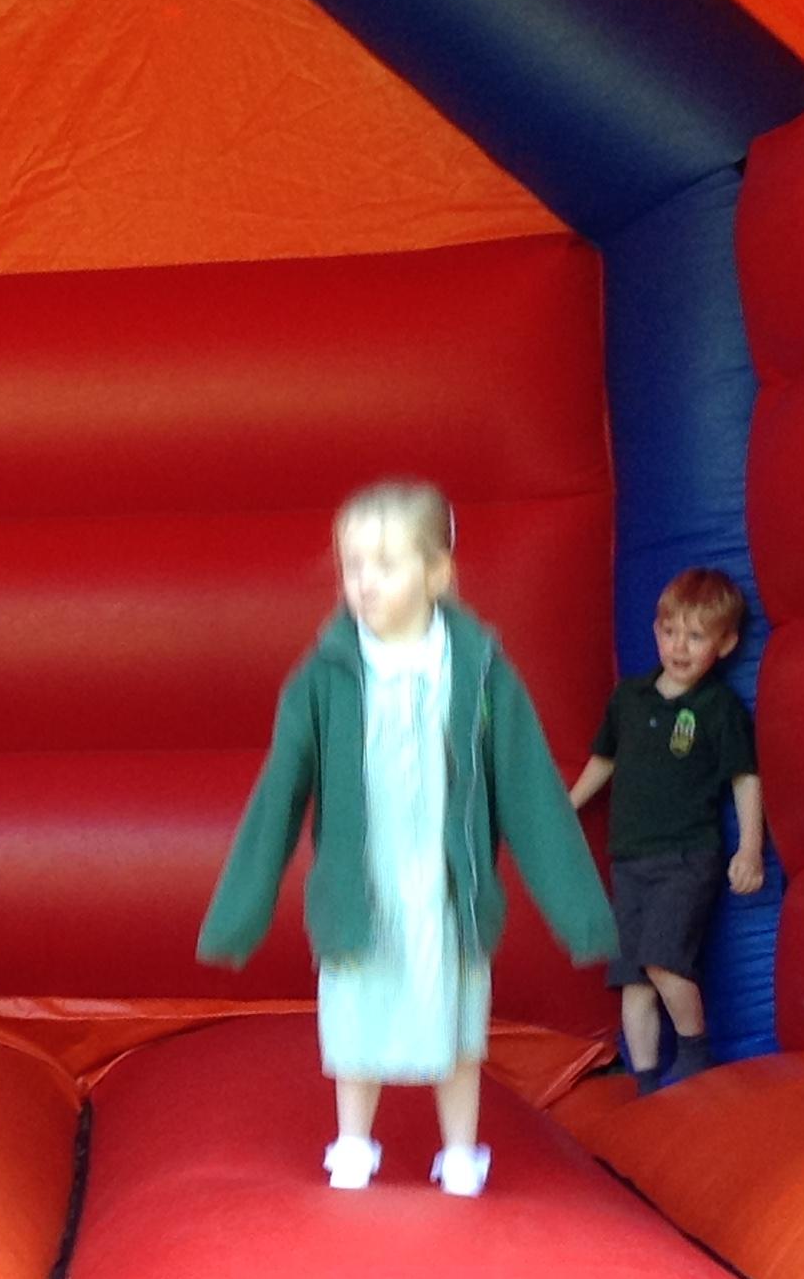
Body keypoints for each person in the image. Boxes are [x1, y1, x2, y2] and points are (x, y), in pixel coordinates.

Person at [197, 478, 614, 1197]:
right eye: (352, 565)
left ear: (437, 574)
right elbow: (279, 791)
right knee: (357, 1014)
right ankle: (353, 1143)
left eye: (385, 565)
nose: (364, 582)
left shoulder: (478, 670)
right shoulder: (325, 677)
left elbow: (530, 788)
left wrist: (581, 912)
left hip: (445, 886)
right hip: (364, 886)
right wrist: (241, 907)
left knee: (456, 1022)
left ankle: (461, 1151)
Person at [568, 567, 764, 1093]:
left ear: (725, 645)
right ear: (655, 630)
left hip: (685, 857)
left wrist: (749, 848)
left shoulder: (717, 708)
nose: (679, 646)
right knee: (633, 978)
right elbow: (604, 760)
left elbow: (745, 778)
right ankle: (646, 1081)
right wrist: (569, 806)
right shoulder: (629, 699)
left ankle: (696, 1053)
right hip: (629, 859)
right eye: (670, 631)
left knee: (662, 961)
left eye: (696, 636)